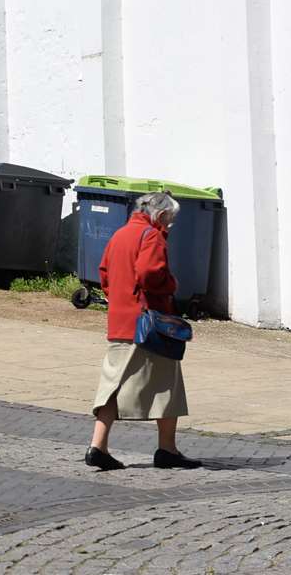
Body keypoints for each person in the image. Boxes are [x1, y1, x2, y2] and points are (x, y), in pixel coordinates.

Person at [84, 191, 201, 471]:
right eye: (170, 219)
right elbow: (150, 274)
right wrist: (170, 285)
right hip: (149, 324)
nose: (170, 225)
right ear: (160, 215)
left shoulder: (120, 234)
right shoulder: (151, 235)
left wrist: (122, 299)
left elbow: (104, 275)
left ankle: (98, 445)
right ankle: (167, 449)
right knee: (168, 385)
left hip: (120, 321)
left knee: (113, 384)